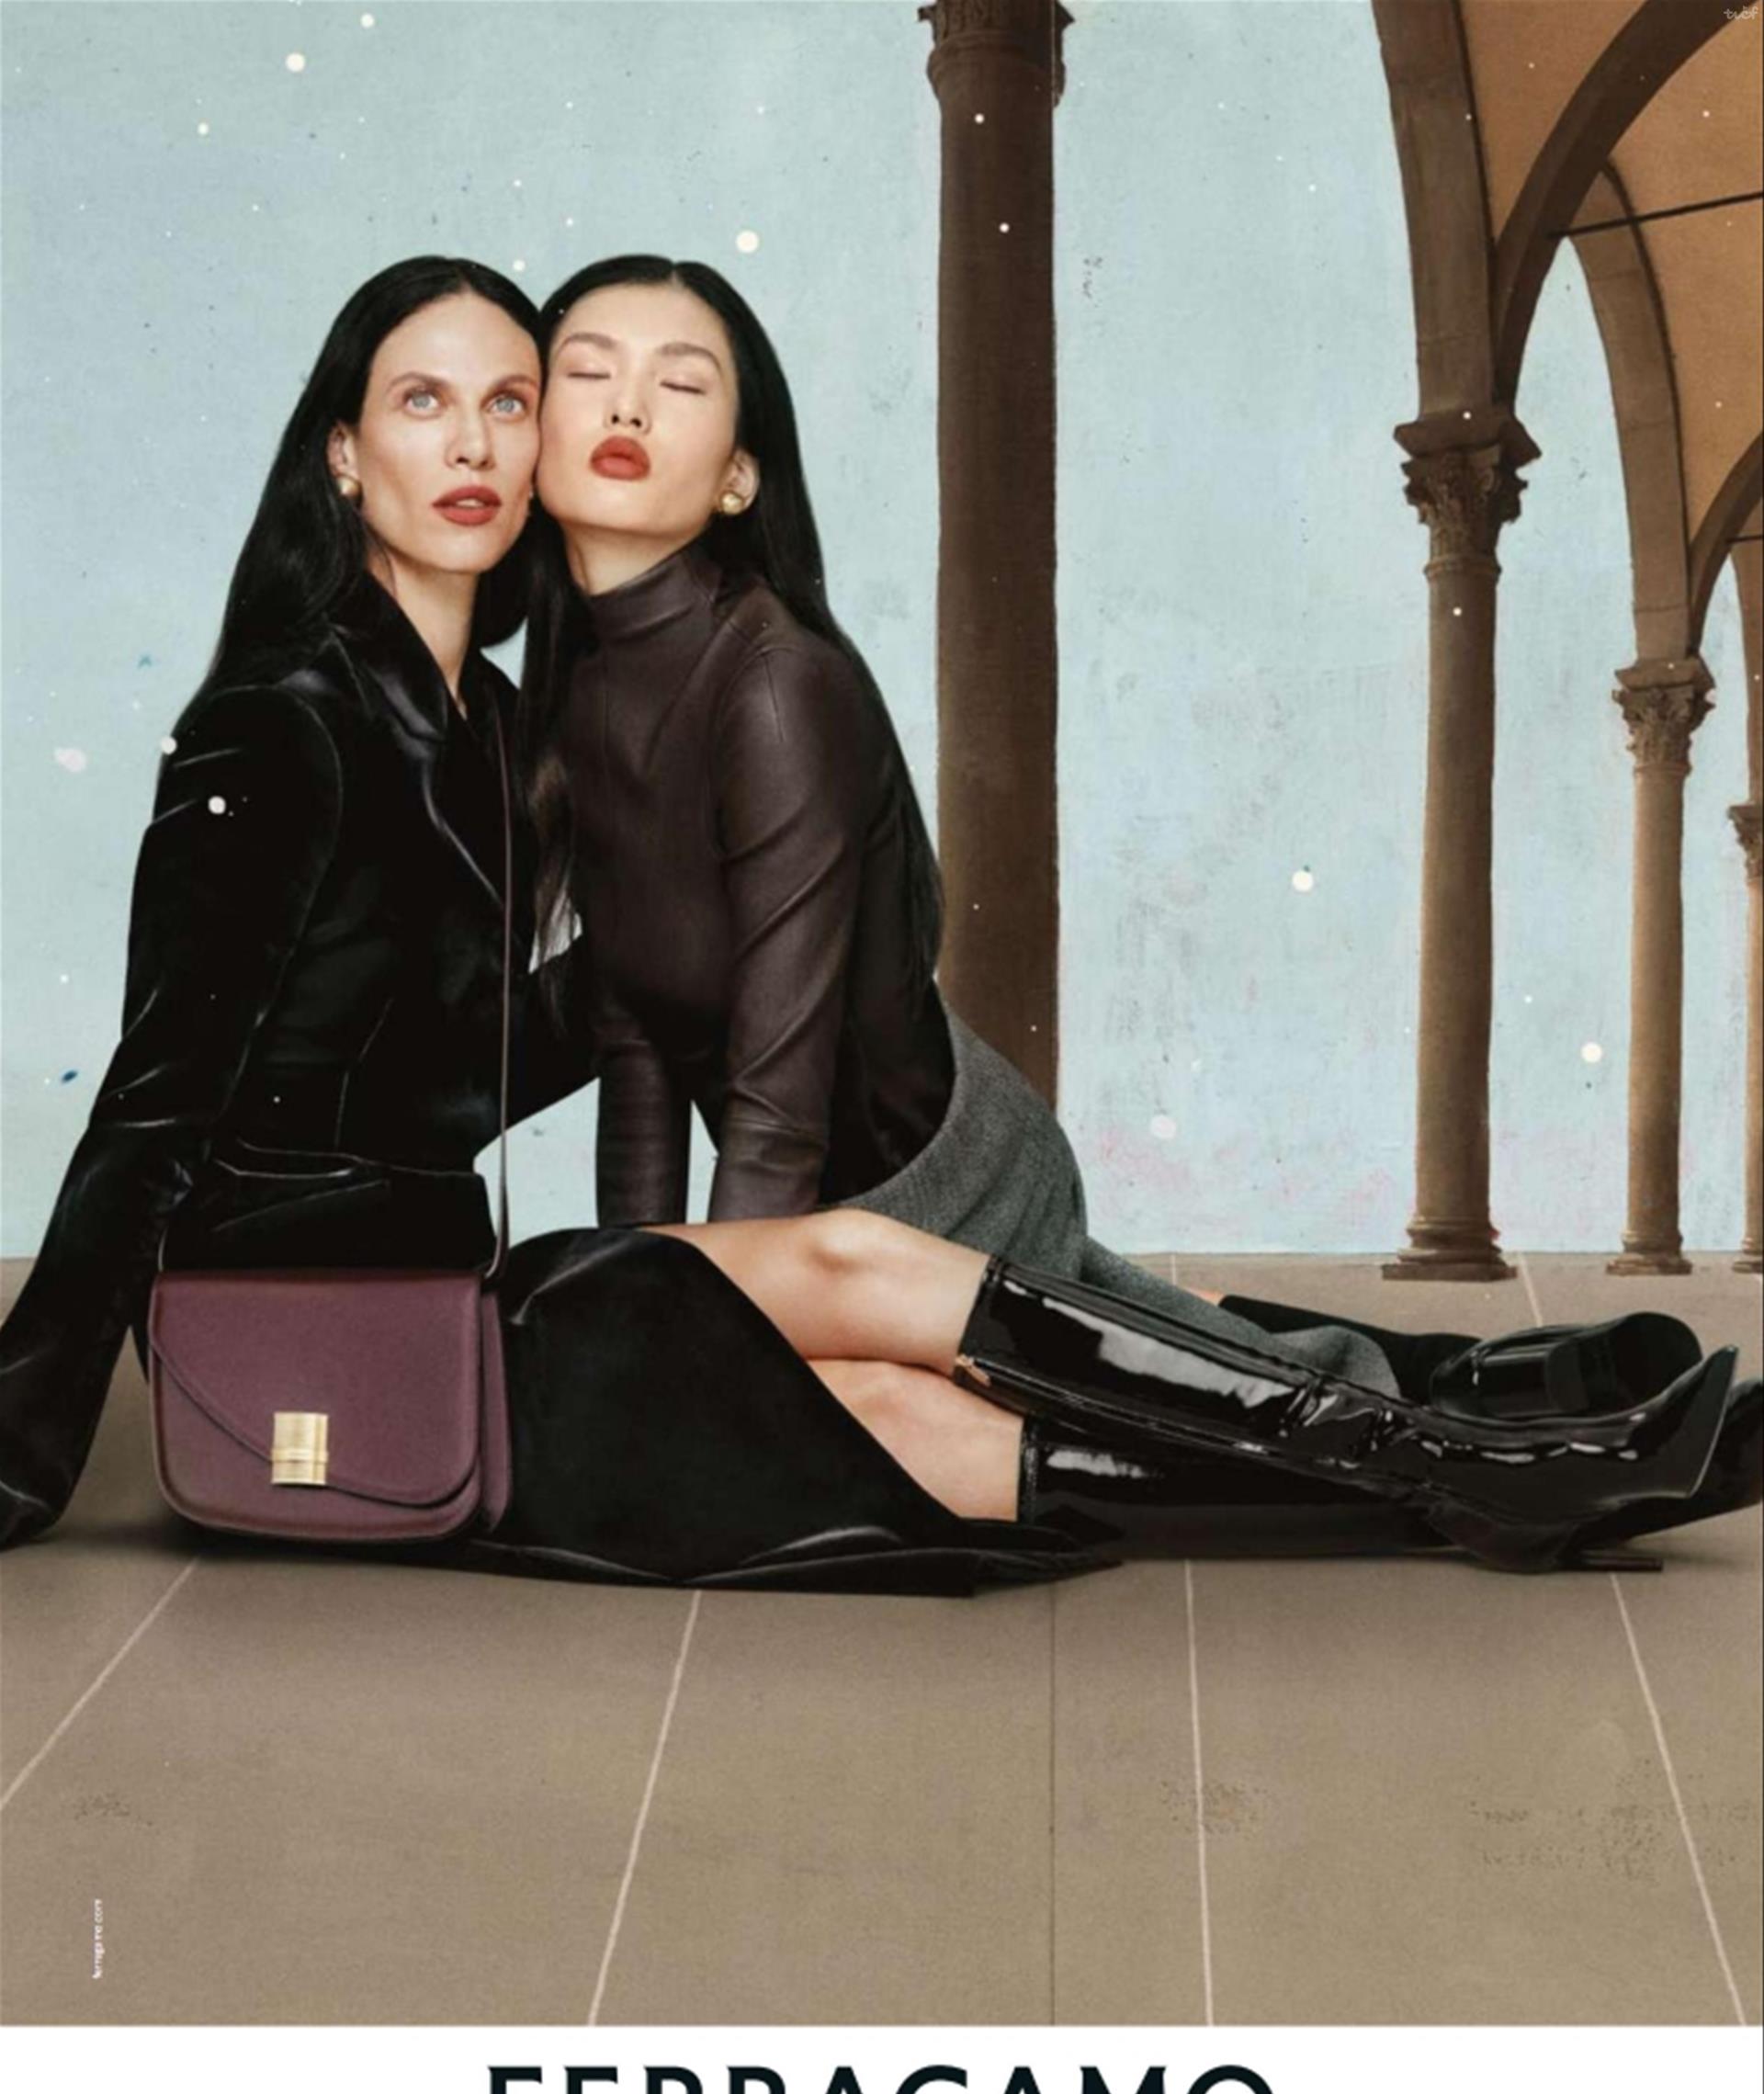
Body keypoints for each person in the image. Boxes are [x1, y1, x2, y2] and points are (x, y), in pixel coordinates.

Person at [0, 260, 1750, 1586]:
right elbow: (159, 1100)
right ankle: (1480, 1451)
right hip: (319, 1314)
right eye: (418, 404)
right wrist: (26, 1430)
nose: (473, 442)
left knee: (916, 1409)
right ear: (341, 453)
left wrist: (668, 972)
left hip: (455, 1272)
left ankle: (1485, 1480)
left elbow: (480, 1060)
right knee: (859, 1282)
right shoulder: (283, 724)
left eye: (506, 400)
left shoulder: (493, 731)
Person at [515, 252, 1728, 1437]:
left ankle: (1485, 1416)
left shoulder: (777, 686)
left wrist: (707, 1347)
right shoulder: (578, 693)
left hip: (936, 1183)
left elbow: (776, 1105)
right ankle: (1464, 1376)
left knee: (1204, 1422)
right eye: (589, 371)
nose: (628, 405)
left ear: (738, 478)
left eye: (681, 383)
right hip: (833, 1221)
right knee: (1193, 1372)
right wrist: (637, 1292)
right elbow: (640, 1041)